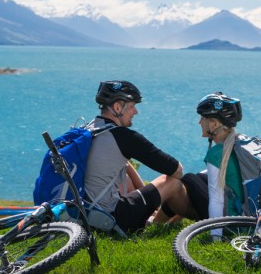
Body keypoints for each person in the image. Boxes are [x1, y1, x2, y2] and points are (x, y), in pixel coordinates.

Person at [84, 80, 198, 233]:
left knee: (126, 171)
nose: (135, 111)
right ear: (118, 107)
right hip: (110, 219)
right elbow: (176, 169)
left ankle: (158, 217)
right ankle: (205, 220)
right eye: (132, 106)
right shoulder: (123, 137)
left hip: (84, 214)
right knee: (171, 182)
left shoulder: (90, 130)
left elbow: (125, 166)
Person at [180, 92, 246, 220]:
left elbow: (217, 200)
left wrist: (216, 238)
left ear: (214, 124)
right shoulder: (241, 144)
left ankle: (154, 225)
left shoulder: (216, 154)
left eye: (203, 118)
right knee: (200, 177)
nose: (199, 122)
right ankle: (163, 224)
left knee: (189, 179)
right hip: (251, 215)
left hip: (232, 221)